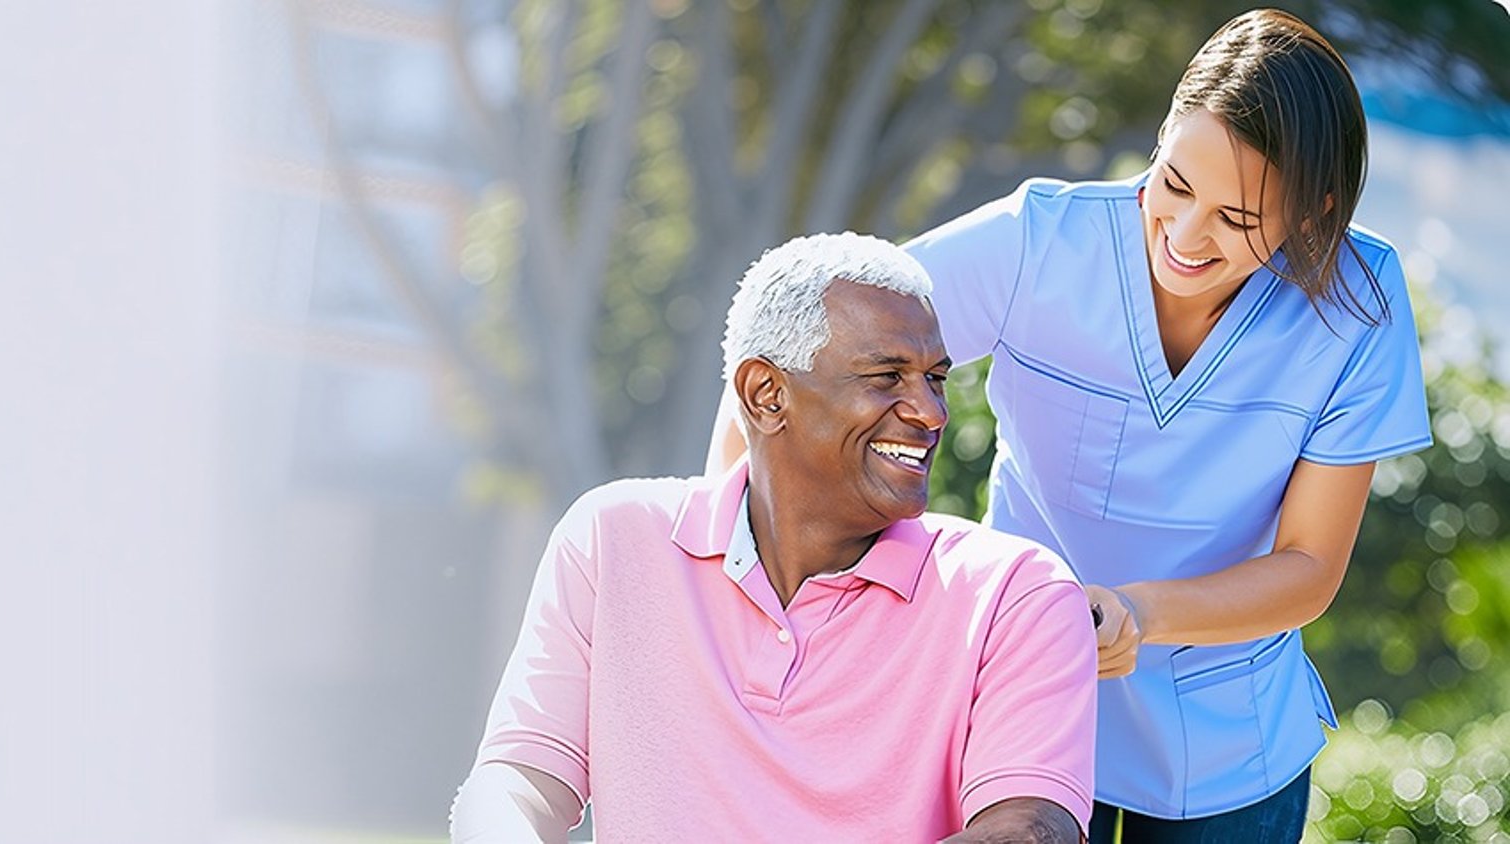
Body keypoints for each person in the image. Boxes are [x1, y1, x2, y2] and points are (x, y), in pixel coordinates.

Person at [705, 8, 1432, 841]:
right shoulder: (1035, 243)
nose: (1186, 238)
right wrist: (726, 592)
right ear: (1161, 140)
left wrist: (1139, 613)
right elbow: (794, 361)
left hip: (1230, 749)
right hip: (1019, 696)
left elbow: (1309, 567)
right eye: (1176, 184)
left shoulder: (1360, 306)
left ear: (1314, 212)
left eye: (1236, 220)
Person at [452, 233, 1098, 842]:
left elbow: (1031, 827)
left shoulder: (1019, 593)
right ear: (766, 395)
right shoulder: (613, 538)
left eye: (934, 377)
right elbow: (522, 776)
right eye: (886, 377)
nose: (931, 413)